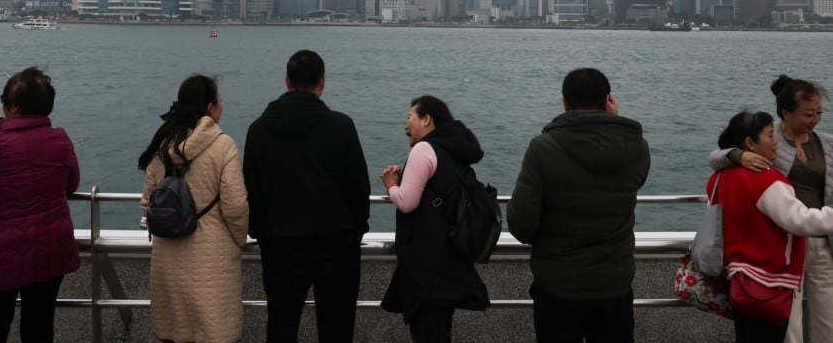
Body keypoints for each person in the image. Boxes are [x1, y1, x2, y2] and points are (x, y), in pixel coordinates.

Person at [506, 67, 650, 343]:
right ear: (609, 101)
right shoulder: (637, 148)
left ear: (564, 102)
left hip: (558, 288)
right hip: (614, 286)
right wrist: (613, 124)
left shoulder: (542, 148)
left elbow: (521, 224)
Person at [243, 49, 371, 343]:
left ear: (287, 82)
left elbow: (252, 191)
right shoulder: (341, 126)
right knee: (337, 329)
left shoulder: (259, 131)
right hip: (336, 247)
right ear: (322, 82)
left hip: (280, 247)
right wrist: (355, 233)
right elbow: (359, 189)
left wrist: (261, 233)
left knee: (281, 326)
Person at [0, 67, 80, 343]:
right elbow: (71, 184)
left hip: (1, 251)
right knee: (39, 328)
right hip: (52, 248)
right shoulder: (60, 139)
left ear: (11, 106)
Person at [710, 76, 832, 343]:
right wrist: (738, 155)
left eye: (819, 113)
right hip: (786, 245)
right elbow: (718, 155)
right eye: (808, 114)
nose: (815, 120)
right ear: (786, 113)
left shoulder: (826, 144)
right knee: (791, 324)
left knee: (828, 320)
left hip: (824, 242)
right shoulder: (766, 143)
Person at [138, 74, 249, 343]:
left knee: (175, 329)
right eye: (220, 101)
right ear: (210, 108)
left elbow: (146, 204)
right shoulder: (224, 146)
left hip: (167, 255)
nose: (222, 106)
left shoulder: (162, 145)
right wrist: (238, 239)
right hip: (212, 255)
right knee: (212, 331)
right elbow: (235, 207)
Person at [379, 95, 490, 342]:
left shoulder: (424, 149)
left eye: (410, 118)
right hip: (451, 261)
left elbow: (407, 203)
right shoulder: (455, 150)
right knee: (442, 332)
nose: (405, 126)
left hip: (426, 267)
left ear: (427, 119)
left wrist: (391, 185)